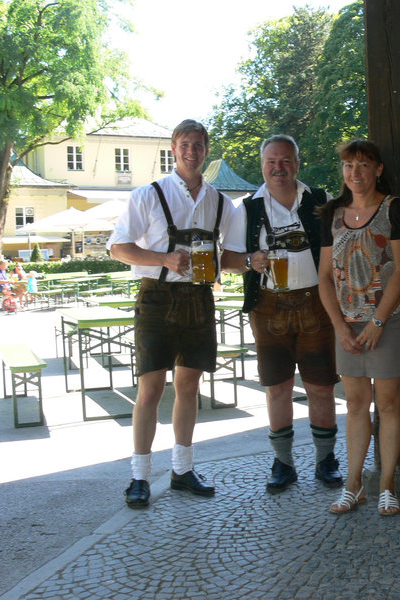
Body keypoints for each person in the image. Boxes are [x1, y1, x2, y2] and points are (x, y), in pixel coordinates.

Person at [108, 119, 237, 509]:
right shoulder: (147, 195)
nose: (191, 151)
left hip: (198, 297)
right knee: (150, 389)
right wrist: (163, 257)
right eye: (184, 144)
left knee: (188, 387)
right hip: (157, 297)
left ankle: (182, 469)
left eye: (198, 144)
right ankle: (140, 476)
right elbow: (118, 248)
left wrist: (252, 261)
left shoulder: (221, 202)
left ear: (206, 149)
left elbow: (225, 256)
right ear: (173, 148)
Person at [220, 134, 343, 493]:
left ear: (297, 163)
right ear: (262, 166)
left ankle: (326, 460)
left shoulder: (320, 200)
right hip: (268, 306)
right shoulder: (247, 209)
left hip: (316, 304)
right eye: (272, 162)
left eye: (286, 161)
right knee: (277, 388)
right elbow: (225, 259)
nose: (279, 168)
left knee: (321, 387)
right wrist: (247, 261)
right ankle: (283, 462)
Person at [317, 140, 400, 516]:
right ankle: (353, 485)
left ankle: (386, 485)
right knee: (356, 404)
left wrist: (378, 321)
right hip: (347, 323)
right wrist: (339, 326)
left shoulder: (394, 209)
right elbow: (325, 277)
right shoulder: (332, 214)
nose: (354, 172)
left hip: (388, 319)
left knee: (388, 404)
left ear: (378, 169)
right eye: (348, 165)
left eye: (362, 164)